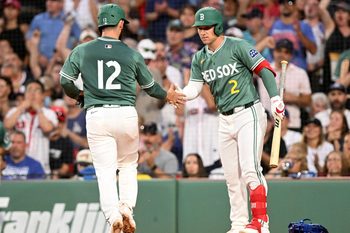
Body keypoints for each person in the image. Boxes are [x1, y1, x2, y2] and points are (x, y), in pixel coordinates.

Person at [59, 4, 185, 233]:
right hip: (126, 113)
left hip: (98, 114)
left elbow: (65, 80)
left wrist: (79, 95)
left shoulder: (82, 50)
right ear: (120, 24)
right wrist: (168, 95)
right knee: (128, 165)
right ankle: (127, 208)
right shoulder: (131, 53)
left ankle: (113, 216)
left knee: (105, 171)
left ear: (100, 24)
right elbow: (150, 87)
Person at [177, 7, 285, 233]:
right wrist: (180, 94)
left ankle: (260, 222)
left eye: (206, 27)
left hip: (248, 112)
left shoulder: (238, 46)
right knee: (231, 176)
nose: (202, 32)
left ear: (217, 26)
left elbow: (264, 69)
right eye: (199, 28)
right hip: (224, 118)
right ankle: (238, 223)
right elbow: (195, 87)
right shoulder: (200, 57)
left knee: (250, 169)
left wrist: (275, 98)